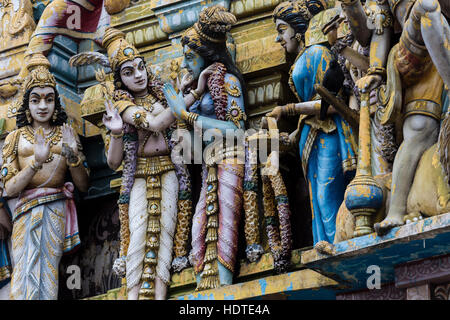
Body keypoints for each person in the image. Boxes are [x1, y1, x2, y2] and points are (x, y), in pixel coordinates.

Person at [163, 5, 247, 290]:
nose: (185, 64)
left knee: (224, 225)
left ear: (208, 57)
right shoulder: (201, 89)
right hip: (208, 163)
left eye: (190, 58)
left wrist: (186, 115)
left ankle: (221, 287)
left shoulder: (229, 82)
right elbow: (188, 145)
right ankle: (205, 287)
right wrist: (193, 93)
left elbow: (236, 130)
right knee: (200, 227)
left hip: (231, 158)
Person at [101, 27, 184, 300]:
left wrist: (177, 99)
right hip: (137, 177)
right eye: (128, 72)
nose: (138, 75)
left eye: (140, 67)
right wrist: (115, 131)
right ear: (120, 80)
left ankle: (160, 295)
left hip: (169, 171)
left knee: (166, 231)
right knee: (138, 236)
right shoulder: (124, 107)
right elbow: (113, 162)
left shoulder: (162, 96)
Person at [266, 0, 358, 246]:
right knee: (316, 199)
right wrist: (295, 134)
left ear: (298, 29)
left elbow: (329, 103)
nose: (279, 39)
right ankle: (325, 244)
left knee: (327, 194)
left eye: (281, 30)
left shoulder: (317, 53)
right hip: (313, 136)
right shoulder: (306, 56)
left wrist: (286, 109)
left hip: (328, 133)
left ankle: (339, 244)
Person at [1, 54, 89, 300]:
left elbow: (83, 185)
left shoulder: (66, 134)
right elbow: (8, 188)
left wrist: (72, 156)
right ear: (26, 105)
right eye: (36, 100)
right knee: (23, 269)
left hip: (55, 207)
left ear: (56, 104)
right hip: (24, 211)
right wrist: (36, 164)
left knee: (48, 270)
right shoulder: (15, 139)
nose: (42, 106)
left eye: (49, 100)